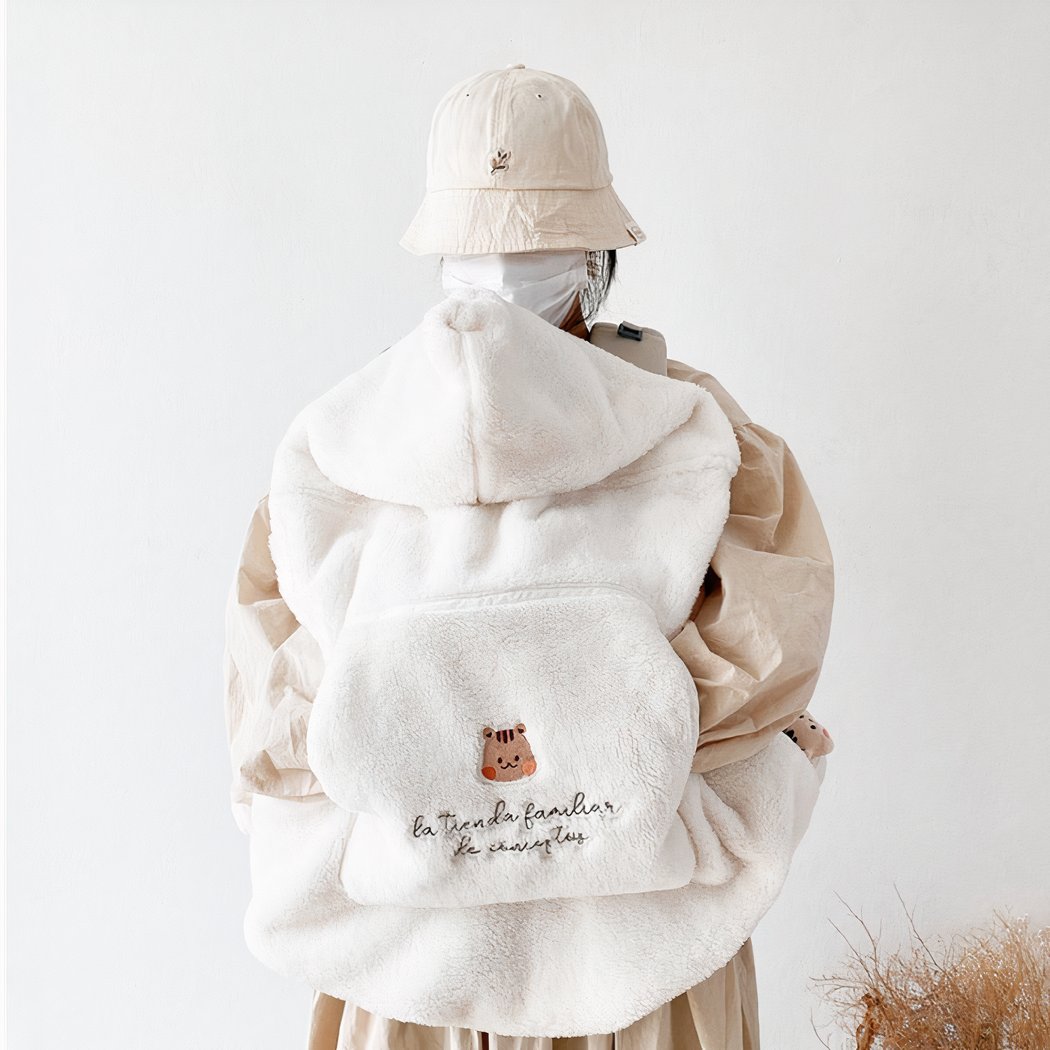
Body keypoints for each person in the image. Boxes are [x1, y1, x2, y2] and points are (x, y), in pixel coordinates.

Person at [223, 65, 835, 1050]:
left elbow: (286, 716)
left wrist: (424, 750)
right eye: (484, 247)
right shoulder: (696, 434)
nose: (505, 274)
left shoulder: (344, 445)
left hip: (422, 955)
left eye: (529, 244)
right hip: (630, 938)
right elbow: (757, 662)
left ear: (594, 259)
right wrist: (602, 738)